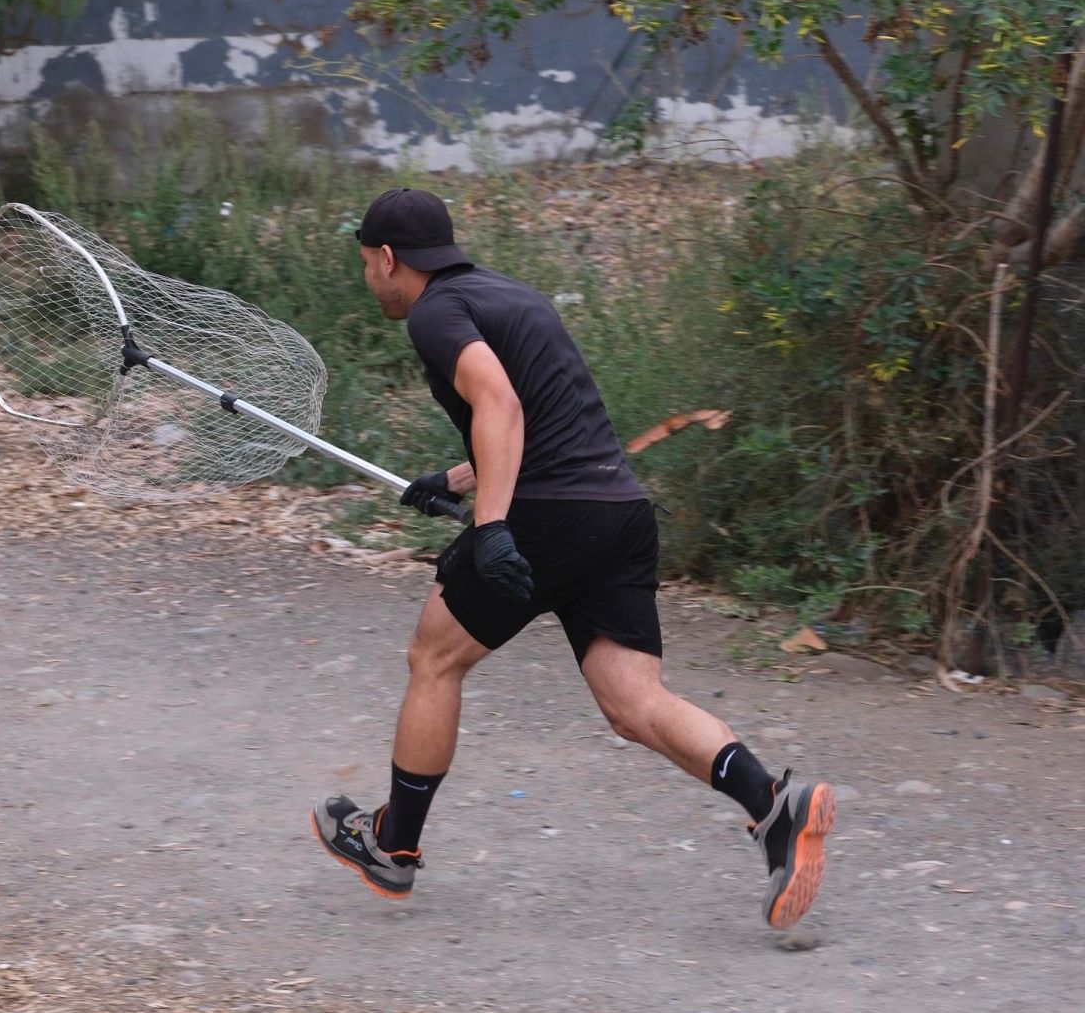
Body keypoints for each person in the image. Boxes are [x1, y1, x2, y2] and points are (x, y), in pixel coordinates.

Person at [311, 187, 834, 929]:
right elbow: (548, 415)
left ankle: (392, 846)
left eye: (367, 264)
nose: (369, 280)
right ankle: (774, 805)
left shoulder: (433, 314)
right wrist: (456, 479)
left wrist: (490, 526)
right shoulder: (508, 296)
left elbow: (502, 408)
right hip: (616, 511)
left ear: (390, 259)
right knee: (634, 703)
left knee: (434, 660)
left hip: (547, 516)